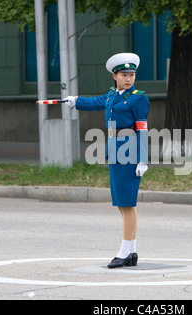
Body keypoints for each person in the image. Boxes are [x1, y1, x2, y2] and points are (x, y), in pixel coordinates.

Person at [64, 53, 149, 268]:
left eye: (131, 75)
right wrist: (75, 101)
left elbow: (142, 129)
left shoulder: (138, 98)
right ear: (115, 75)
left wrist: (143, 159)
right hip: (115, 149)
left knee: (127, 203)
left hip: (129, 150)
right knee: (122, 203)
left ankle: (123, 252)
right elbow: (96, 102)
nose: (129, 79)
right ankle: (131, 252)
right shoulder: (113, 95)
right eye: (124, 75)